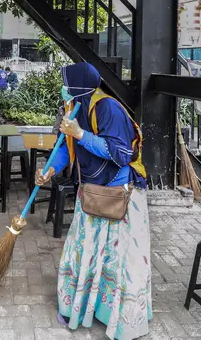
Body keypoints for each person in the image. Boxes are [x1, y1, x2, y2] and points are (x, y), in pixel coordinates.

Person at [35, 62, 151, 340]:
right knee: (81, 249)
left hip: (119, 194)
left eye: (66, 83)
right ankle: (77, 306)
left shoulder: (108, 108)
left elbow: (120, 154)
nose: (63, 88)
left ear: (78, 86)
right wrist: (50, 169)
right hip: (90, 191)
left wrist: (81, 134)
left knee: (118, 259)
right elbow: (65, 147)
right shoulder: (72, 108)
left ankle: (120, 318)